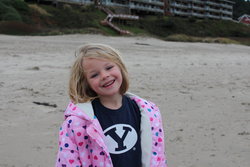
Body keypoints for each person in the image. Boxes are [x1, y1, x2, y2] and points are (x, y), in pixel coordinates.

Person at [55, 44, 167, 167]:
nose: (104, 75)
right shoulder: (77, 123)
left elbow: (157, 156)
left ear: (120, 67)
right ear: (86, 83)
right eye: (94, 75)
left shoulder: (148, 112)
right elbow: (67, 161)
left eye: (109, 67)